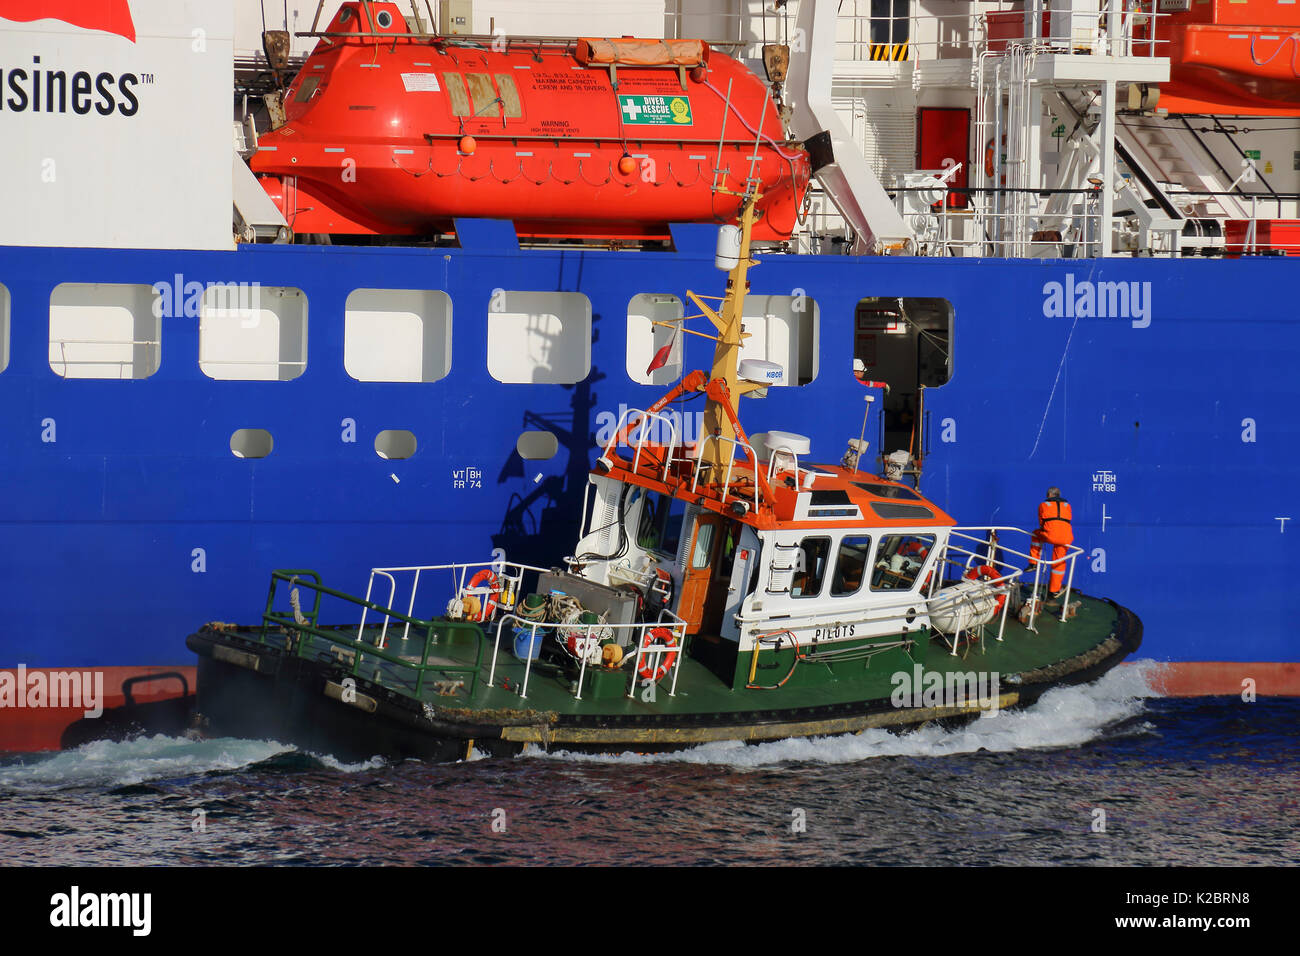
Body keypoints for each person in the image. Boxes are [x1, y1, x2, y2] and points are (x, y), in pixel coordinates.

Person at [1028, 486, 1073, 597]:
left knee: (1035, 534)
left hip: (1050, 535)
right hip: (1067, 538)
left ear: (1049, 495)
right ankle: (1054, 590)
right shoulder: (1068, 506)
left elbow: (1041, 523)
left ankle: (1033, 563)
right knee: (1059, 561)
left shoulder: (1043, 505)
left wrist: (1047, 533)